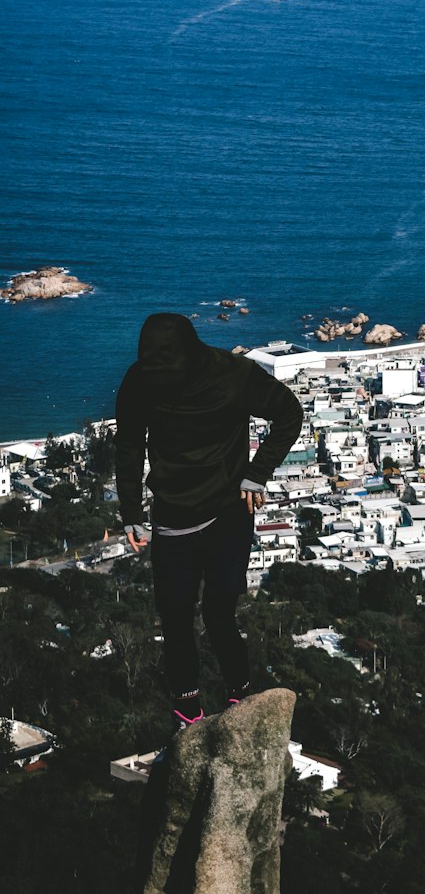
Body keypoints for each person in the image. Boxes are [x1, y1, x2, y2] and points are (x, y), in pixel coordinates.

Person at [114, 313, 303, 733]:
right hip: (173, 515)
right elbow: (127, 445)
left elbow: (290, 413)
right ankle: (188, 712)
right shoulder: (140, 379)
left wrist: (258, 472)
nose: (163, 379)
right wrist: (131, 513)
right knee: (176, 617)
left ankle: (240, 695)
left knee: (220, 612)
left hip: (227, 510)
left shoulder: (232, 374)